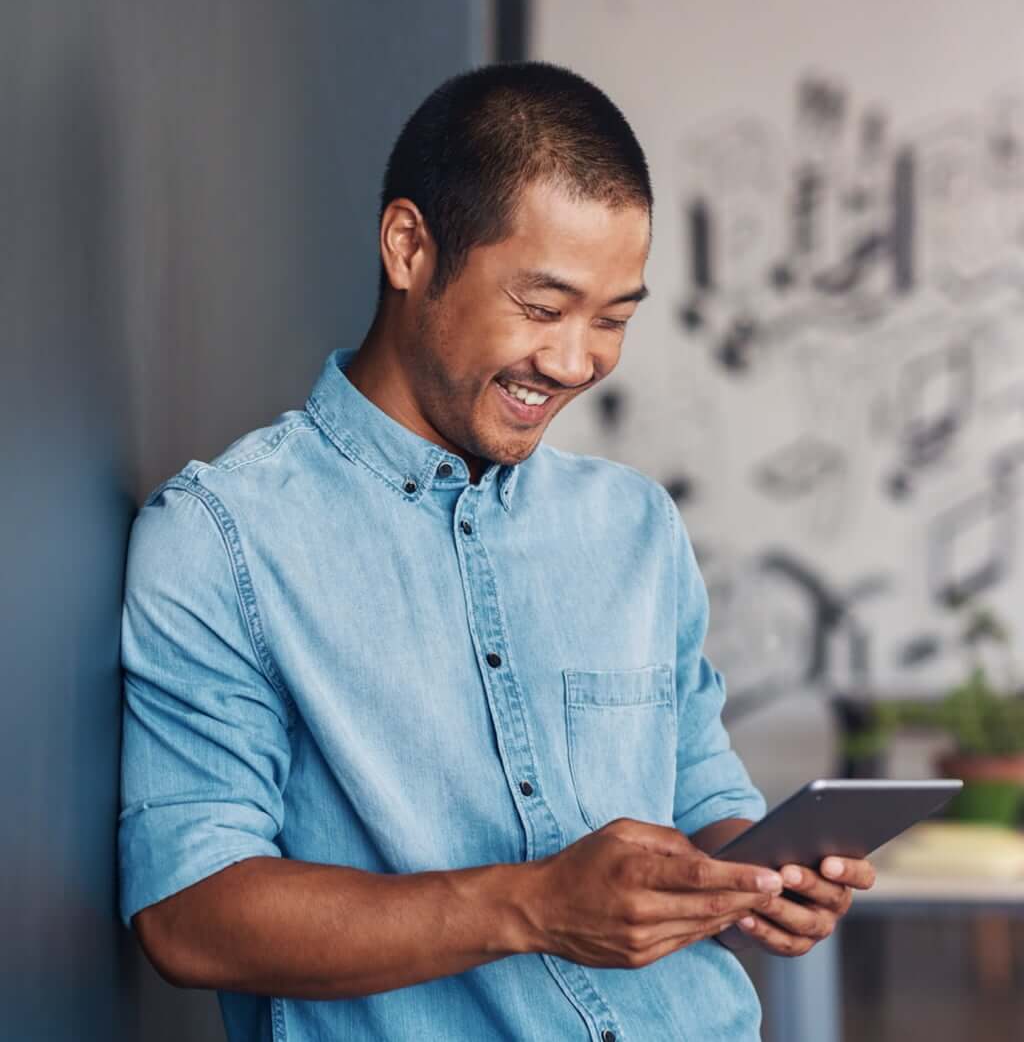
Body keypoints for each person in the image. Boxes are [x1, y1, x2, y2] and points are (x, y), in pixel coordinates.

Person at [118, 60, 874, 1042]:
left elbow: (697, 782)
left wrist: (752, 874)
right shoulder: (223, 537)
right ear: (408, 248)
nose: (574, 363)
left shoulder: (634, 525)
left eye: (612, 319)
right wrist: (529, 905)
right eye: (542, 306)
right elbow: (190, 914)